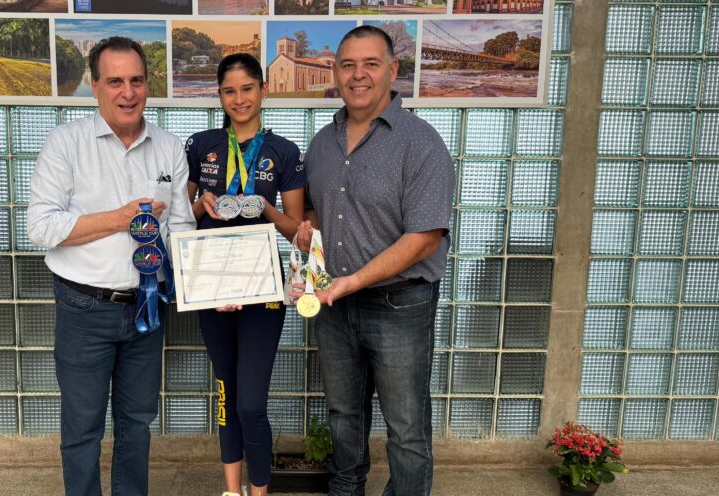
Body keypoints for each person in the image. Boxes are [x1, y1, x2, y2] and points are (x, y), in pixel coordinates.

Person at [27, 36, 196, 496]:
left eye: (137, 81)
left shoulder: (169, 147)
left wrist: (209, 281)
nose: (128, 92)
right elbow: (41, 226)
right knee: (82, 428)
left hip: (147, 308)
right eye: (116, 81)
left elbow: (180, 227)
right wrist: (119, 219)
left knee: (137, 423)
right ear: (95, 84)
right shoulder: (66, 143)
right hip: (84, 308)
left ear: (148, 84)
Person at [293, 26, 454, 496]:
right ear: (335, 72)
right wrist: (308, 236)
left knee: (406, 427)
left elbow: (425, 238)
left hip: (399, 304)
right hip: (334, 303)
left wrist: (355, 280)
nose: (358, 75)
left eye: (370, 64)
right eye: (348, 65)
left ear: (392, 70)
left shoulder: (421, 142)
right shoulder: (322, 143)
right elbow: (317, 212)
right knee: (344, 415)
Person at [185, 53, 305, 496]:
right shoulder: (201, 145)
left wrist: (266, 208)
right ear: (219, 95)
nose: (239, 99)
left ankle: (259, 492)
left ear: (263, 90)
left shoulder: (283, 152)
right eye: (229, 91)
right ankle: (231, 492)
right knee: (227, 395)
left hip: (261, 287)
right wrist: (201, 205)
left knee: (251, 404)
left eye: (247, 89)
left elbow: (297, 231)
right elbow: (180, 219)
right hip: (212, 285)